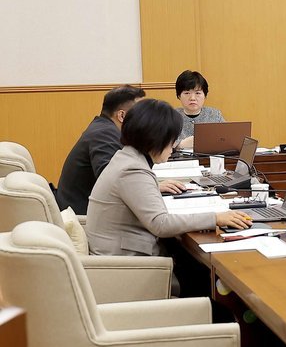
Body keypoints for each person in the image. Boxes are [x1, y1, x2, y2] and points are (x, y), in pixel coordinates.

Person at [86, 98, 252, 259]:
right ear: (155, 139)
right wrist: (216, 218)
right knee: (198, 263)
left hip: (121, 249)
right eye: (172, 140)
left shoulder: (125, 157)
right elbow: (161, 224)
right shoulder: (132, 170)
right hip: (126, 261)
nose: (173, 146)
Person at [55, 86, 188, 215]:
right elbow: (113, 180)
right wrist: (154, 187)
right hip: (82, 214)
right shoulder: (104, 134)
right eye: (139, 112)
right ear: (122, 115)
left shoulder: (104, 128)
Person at [175, 69, 225, 150]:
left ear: (205, 95)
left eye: (197, 93)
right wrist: (180, 145)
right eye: (187, 93)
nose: (192, 98)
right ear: (179, 96)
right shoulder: (170, 116)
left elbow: (226, 139)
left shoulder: (215, 115)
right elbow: (160, 143)